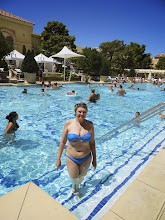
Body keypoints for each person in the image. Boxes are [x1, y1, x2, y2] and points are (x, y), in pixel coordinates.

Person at [56, 102, 96, 194]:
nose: (82, 114)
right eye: (80, 112)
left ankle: (77, 186)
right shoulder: (68, 123)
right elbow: (62, 142)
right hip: (71, 157)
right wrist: (58, 159)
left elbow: (92, 143)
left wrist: (94, 159)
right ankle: (75, 187)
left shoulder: (90, 125)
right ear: (75, 112)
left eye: (84, 112)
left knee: (82, 177)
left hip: (86, 157)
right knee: (74, 178)